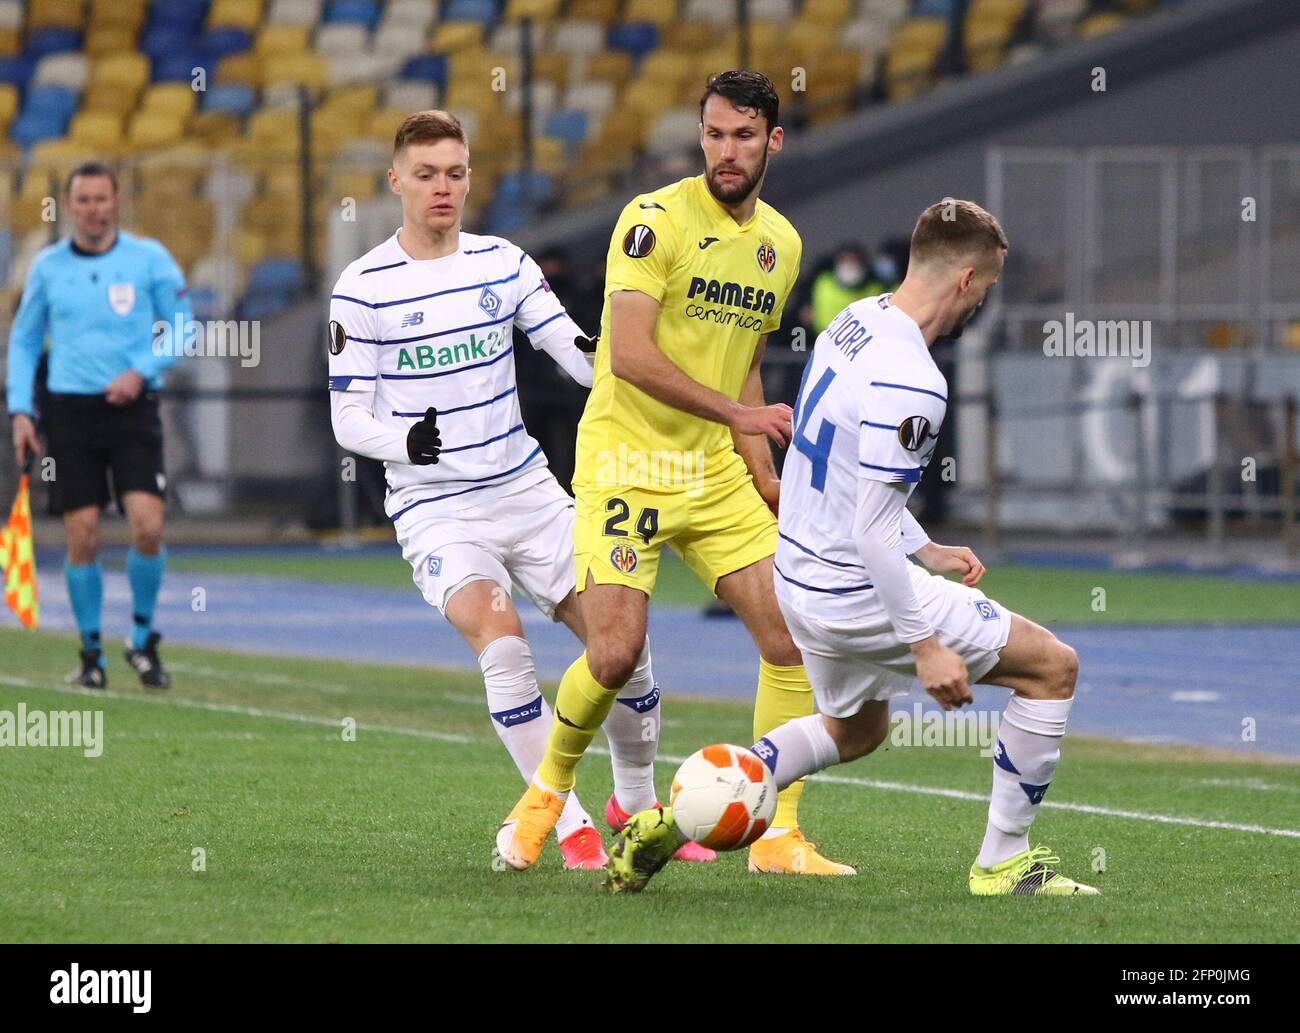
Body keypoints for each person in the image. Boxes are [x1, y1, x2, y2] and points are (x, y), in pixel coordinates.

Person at [605, 200, 1098, 897]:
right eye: (986, 286)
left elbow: (843, 473)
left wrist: (925, 548)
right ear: (965, 279)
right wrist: (925, 645)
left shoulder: (855, 321)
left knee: (856, 727)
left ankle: (676, 814)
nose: (983, 300)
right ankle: (1004, 862)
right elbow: (869, 530)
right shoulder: (917, 383)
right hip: (854, 587)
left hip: (800, 579)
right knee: (1052, 667)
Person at [327, 110, 709, 871]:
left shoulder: (503, 262)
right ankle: (567, 824)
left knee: (623, 648)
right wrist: (404, 441)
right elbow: (346, 415)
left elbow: (570, 347)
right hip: (436, 508)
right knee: (504, 648)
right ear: (395, 180)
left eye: (457, 173)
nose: (444, 188)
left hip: (528, 492)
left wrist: (632, 371)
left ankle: (635, 805)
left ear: (471, 177)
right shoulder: (362, 287)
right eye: (428, 174)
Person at [495, 71, 854, 877]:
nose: (727, 151)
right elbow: (628, 353)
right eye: (715, 134)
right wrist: (741, 422)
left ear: (774, 142)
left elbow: (748, 365)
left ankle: (777, 836)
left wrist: (761, 471)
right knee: (616, 652)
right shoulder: (652, 222)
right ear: (702, 137)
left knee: (791, 636)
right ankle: (547, 791)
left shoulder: (783, 244)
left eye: (744, 136)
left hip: (717, 471)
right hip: (628, 461)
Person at [6, 162, 189, 689]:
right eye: (83, 200)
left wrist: (143, 370)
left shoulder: (148, 258)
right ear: (68, 206)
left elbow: (183, 327)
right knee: (82, 534)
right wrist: (22, 408)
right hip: (70, 413)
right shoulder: (47, 267)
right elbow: (23, 341)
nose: (93, 209)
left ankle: (141, 639)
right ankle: (91, 654)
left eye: (101, 199)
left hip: (132, 410)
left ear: (116, 201)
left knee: (148, 526)